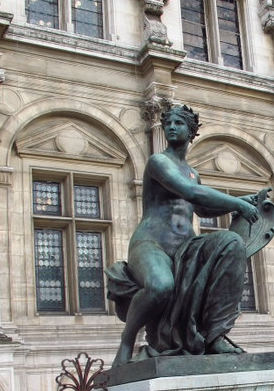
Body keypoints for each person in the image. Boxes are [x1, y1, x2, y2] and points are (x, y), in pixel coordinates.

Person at [106, 105, 263, 366]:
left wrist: (240, 200)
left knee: (232, 243)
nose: (171, 127)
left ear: (191, 131)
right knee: (161, 286)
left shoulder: (192, 172)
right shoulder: (159, 162)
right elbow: (191, 193)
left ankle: (215, 335)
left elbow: (201, 208)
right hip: (152, 243)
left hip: (184, 247)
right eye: (168, 123)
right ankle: (127, 340)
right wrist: (238, 205)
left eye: (179, 123)